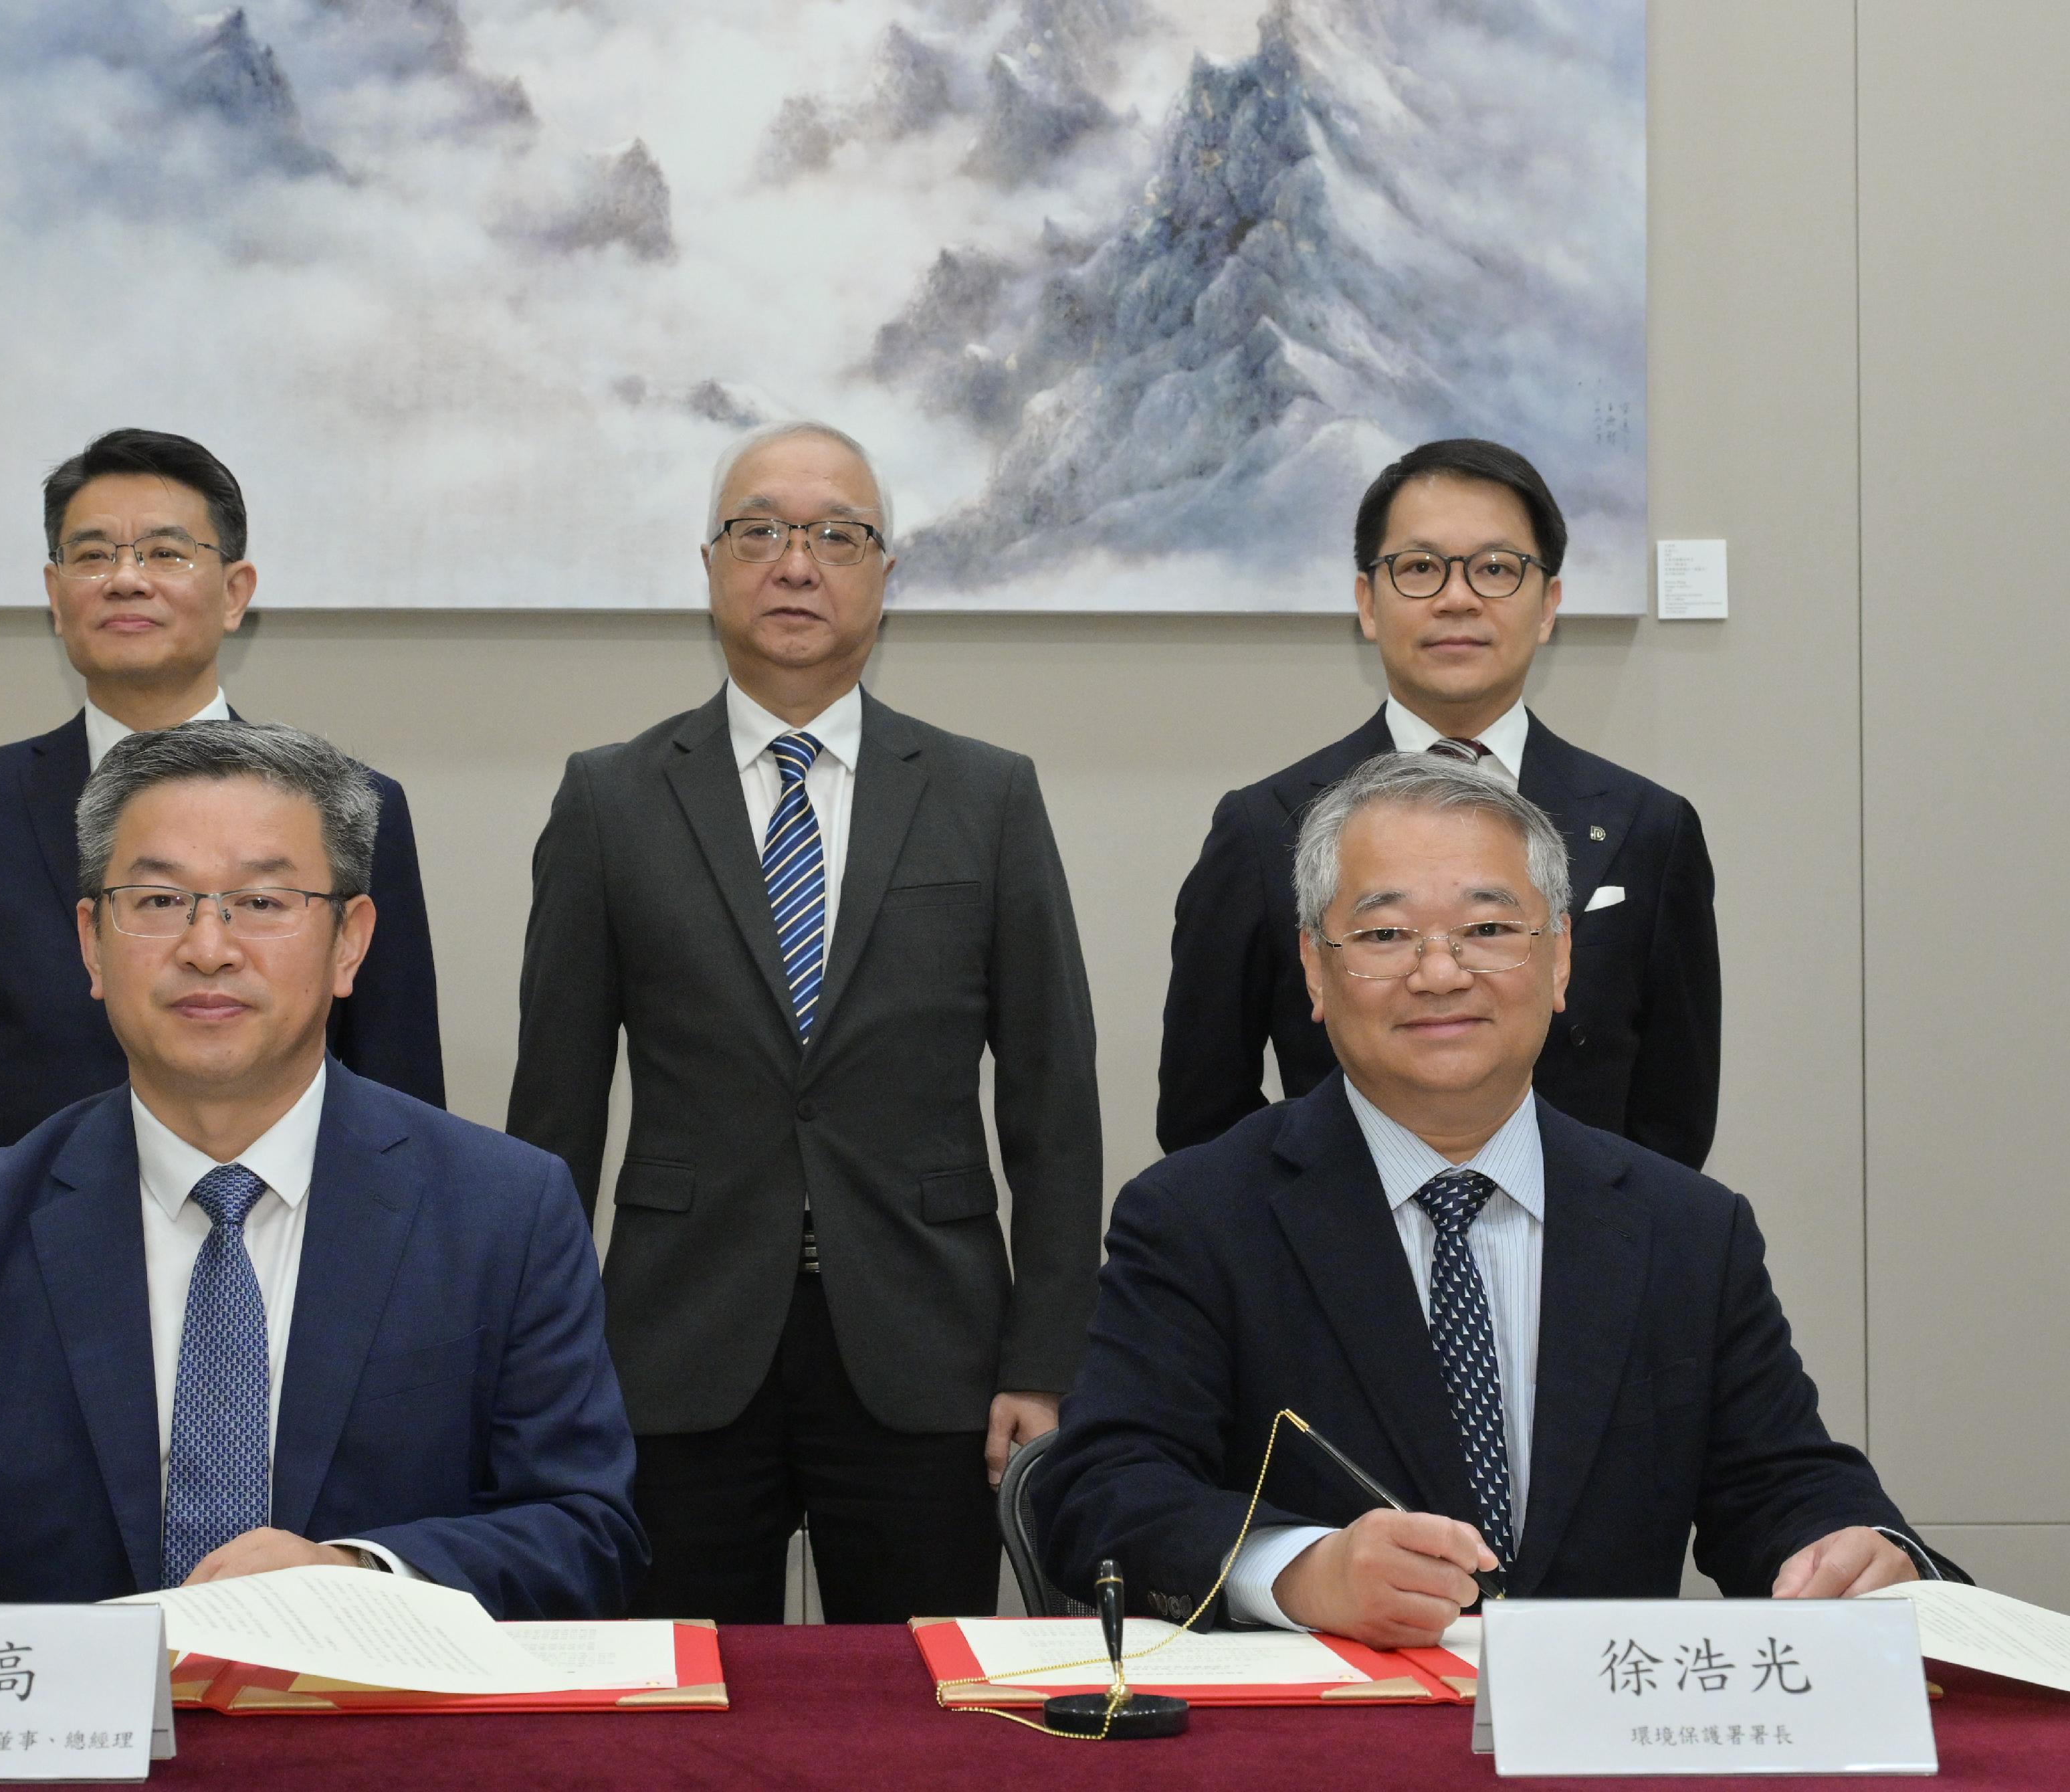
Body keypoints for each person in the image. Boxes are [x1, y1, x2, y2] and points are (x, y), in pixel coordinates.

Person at [0, 723, 640, 1617]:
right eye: (157, 900)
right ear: (90, 943)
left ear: (350, 940)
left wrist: (358, 1572)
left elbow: (586, 1529)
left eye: (264, 901)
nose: (208, 946)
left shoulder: (502, 1208)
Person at [1036, 755, 1955, 1643]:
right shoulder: (1198, 1213)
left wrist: (1861, 1553)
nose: (1440, 973)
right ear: (1315, 970)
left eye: (1487, 929)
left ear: (1560, 960)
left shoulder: (1688, 1229)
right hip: (1334, 1745)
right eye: (1386, 934)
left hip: (1605, 1743)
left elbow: (1780, 1485)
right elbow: (1102, 1489)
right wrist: (1301, 1569)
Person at [505, 422, 1102, 1624]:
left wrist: (1044, 1359)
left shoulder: (987, 793)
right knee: (678, 1709)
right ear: (712, 564)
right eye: (761, 531)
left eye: (838, 535)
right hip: (673, 1343)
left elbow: (1054, 1097)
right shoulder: (612, 797)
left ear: (886, 574)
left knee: (920, 1711)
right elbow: (554, 1112)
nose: (797, 563)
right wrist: (543, 1367)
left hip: (929, 1347)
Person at [0, 428, 444, 1320]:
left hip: (282, 1292)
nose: (126, 578)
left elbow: (400, 1099)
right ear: (53, 593)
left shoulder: (347, 806)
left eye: (164, 551)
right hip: (15, 1297)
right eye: (92, 555)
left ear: (235, 592)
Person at [1158, 438, 1720, 1167]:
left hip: (1580, 1255)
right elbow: (1202, 1115)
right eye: (1420, 568)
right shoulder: (1265, 827)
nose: (1458, 598)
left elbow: (1674, 1116)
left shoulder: (1651, 828)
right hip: (1337, 1253)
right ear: (1367, 601)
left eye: (1495, 569)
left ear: (1548, 604)